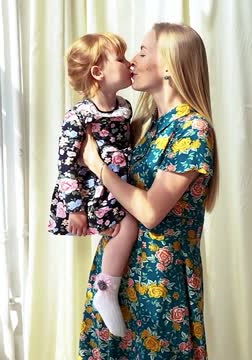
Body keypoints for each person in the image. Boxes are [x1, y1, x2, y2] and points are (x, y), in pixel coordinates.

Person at [77, 23, 219, 359]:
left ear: (169, 64)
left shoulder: (192, 129)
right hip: (119, 276)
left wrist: (98, 166)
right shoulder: (145, 124)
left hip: (159, 283)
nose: (132, 61)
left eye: (142, 51)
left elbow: (151, 212)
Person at [48, 32, 139, 337]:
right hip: (94, 194)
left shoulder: (124, 107)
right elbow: (66, 165)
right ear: (98, 72)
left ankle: (109, 287)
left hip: (116, 187)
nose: (129, 64)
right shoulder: (79, 116)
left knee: (128, 227)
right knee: (127, 227)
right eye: (121, 59)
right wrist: (75, 209)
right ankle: (106, 290)